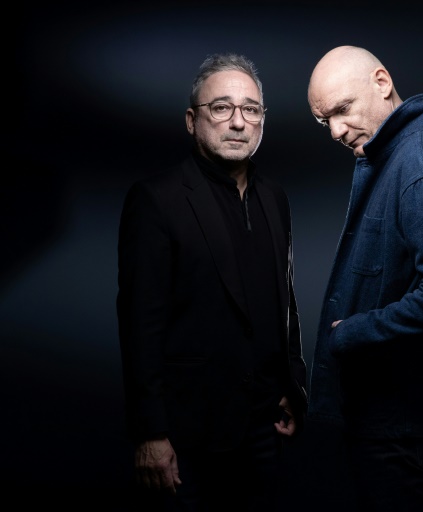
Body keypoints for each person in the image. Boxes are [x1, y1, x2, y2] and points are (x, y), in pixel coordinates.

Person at [116, 53, 307, 511]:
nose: (238, 122)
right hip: (186, 438)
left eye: (251, 109)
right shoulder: (156, 200)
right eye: (221, 108)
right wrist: (150, 433)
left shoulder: (275, 198)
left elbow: (285, 301)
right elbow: (140, 325)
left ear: (262, 120)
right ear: (192, 120)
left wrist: (292, 385)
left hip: (263, 427)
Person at [306, 45, 423, 511]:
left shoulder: (419, 166)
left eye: (343, 109)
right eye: (325, 121)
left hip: (404, 429)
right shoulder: (394, 157)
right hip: (388, 423)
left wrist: (352, 333)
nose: (337, 130)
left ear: (382, 83)